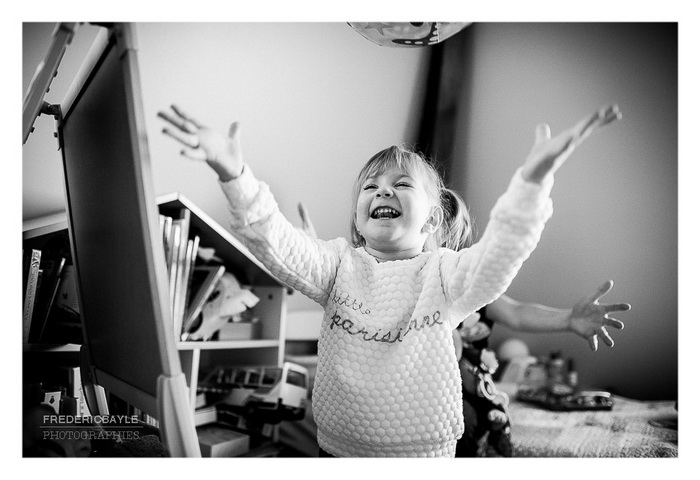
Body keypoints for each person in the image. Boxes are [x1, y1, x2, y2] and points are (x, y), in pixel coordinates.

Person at [158, 103, 621, 457]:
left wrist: (531, 183)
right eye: (371, 185)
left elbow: (501, 253)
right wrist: (233, 174)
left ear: (431, 220)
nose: (383, 189)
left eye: (402, 184)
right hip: (338, 448)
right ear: (358, 221)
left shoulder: (444, 274)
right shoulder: (337, 265)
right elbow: (273, 240)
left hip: (423, 452)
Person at [453, 282, 631, 457]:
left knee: (474, 425)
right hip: (444, 395)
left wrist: (568, 319)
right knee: (459, 424)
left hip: (479, 392)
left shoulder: (473, 288)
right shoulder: (429, 293)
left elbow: (517, 313)